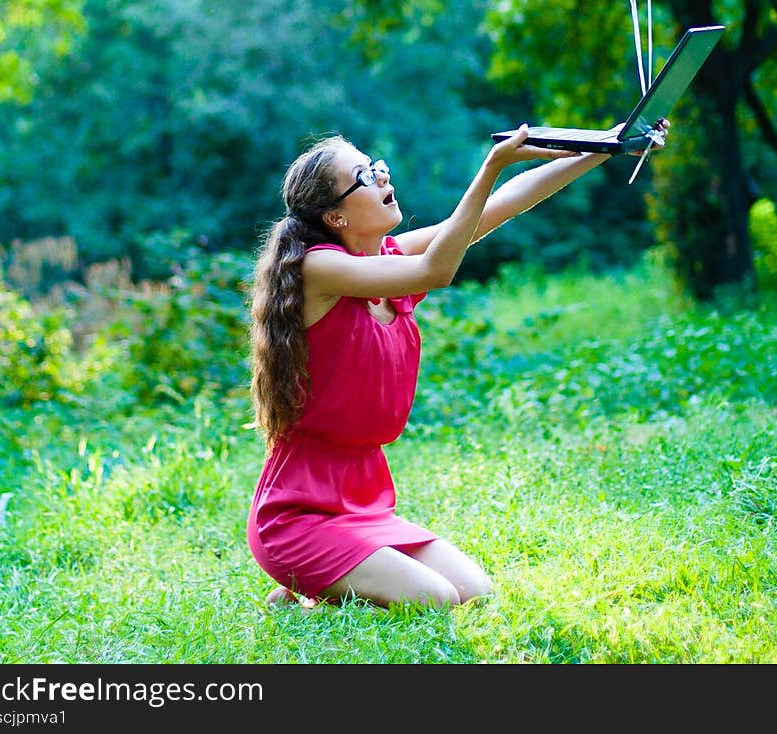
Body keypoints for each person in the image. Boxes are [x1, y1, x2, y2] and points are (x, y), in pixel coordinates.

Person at [246, 119, 668, 610]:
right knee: (437, 600)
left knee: (476, 592)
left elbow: (500, 207)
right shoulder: (318, 269)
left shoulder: (386, 258)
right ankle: (307, 584)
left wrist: (607, 145)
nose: (383, 177)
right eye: (364, 176)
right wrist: (492, 164)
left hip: (363, 503)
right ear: (335, 217)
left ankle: (318, 587)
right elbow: (438, 269)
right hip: (299, 516)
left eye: (377, 168)